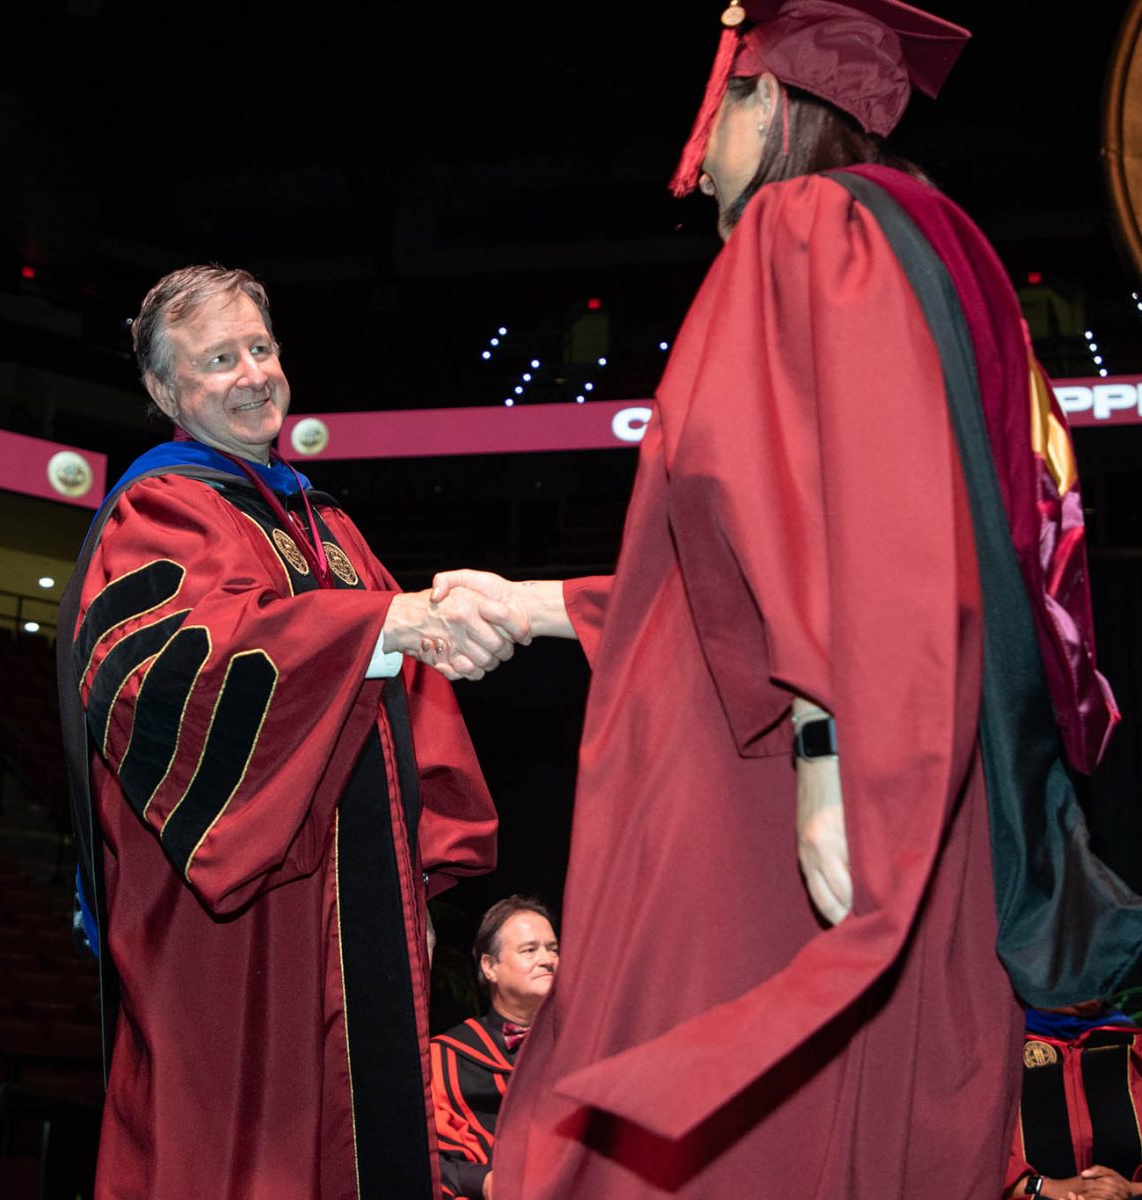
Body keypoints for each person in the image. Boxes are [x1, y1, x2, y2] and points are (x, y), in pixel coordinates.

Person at [428, 1, 1142, 1195]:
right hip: (921, 763)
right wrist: (531, 601)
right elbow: (734, 579)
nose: (698, 164)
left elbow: (804, 517)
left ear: (776, 105)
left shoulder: (807, 225)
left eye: (717, 118)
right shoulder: (947, 257)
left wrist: (829, 747)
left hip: (784, 780)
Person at [56, 265, 529, 1200]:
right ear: (164, 392)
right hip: (240, 916)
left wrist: (421, 881)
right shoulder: (160, 511)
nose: (251, 375)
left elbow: (404, 708)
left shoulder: (324, 521)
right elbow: (176, 684)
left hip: (354, 910)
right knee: (240, 1147)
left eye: (261, 349)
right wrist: (382, 627)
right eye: (218, 359)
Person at [430, 897, 559, 1200]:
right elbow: (424, 1157)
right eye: (530, 950)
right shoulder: (448, 1057)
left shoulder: (584, 1047)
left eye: (553, 949)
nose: (547, 959)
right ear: (490, 967)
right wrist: (484, 1182)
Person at [1005, 1003, 1142, 1200]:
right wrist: (1047, 1187)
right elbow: (968, 1163)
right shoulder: (995, 1051)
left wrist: (1126, 1189)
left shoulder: (1133, 1045)